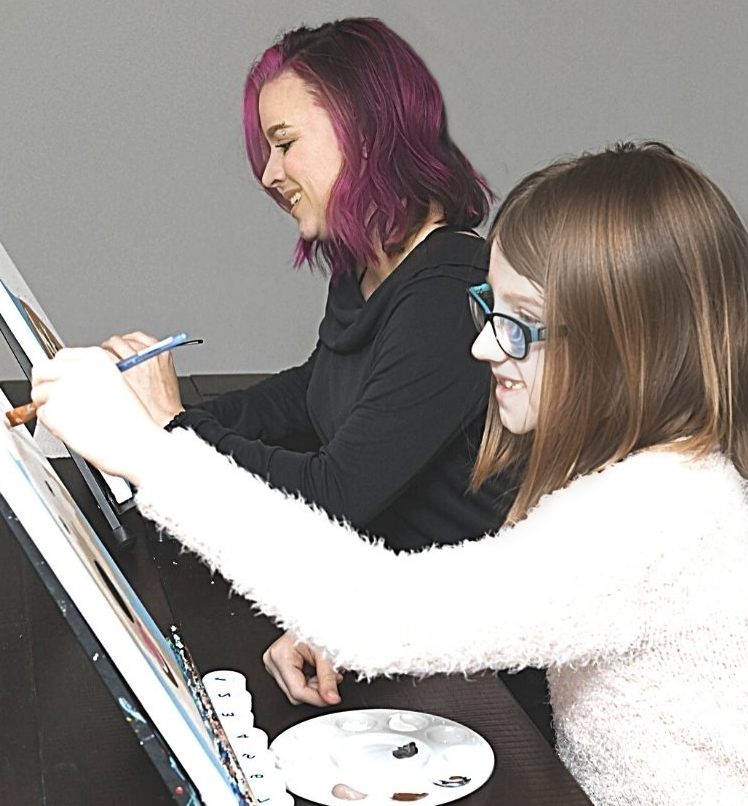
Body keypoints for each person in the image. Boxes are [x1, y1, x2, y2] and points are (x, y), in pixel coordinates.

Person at [32, 141, 748, 805]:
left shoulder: (656, 515)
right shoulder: (639, 479)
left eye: (521, 327)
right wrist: (344, 620)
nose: (483, 349)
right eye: (489, 309)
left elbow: (384, 614)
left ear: (627, 345)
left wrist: (149, 452)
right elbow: (487, 601)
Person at [98, 17, 540, 715]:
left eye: (284, 144)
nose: (269, 175)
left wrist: (173, 429)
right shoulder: (369, 269)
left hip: (475, 675)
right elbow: (314, 395)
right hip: (383, 613)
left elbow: (337, 494)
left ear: (366, 132)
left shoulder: (448, 293)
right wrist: (157, 418)